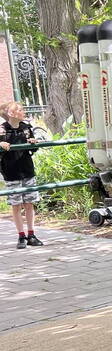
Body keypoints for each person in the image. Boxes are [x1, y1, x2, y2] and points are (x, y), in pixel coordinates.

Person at [0, 101, 43, 248]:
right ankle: (21, 236)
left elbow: (34, 148)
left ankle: (31, 234)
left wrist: (33, 142)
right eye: (19, 109)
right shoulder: (2, 130)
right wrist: (0, 145)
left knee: (29, 204)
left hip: (27, 171)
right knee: (16, 205)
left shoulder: (26, 128)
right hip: (11, 172)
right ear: (11, 113)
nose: (22, 111)